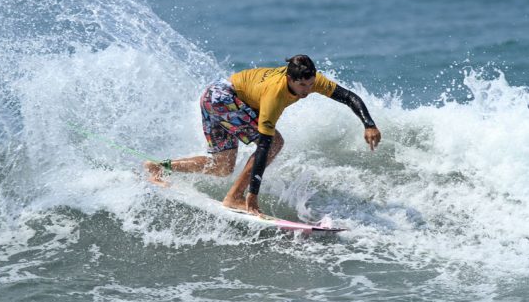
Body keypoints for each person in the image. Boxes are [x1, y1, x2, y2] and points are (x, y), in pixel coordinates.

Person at [144, 55, 381, 214]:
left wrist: (368, 124)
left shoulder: (311, 80)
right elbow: (265, 147)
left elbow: (348, 96)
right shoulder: (274, 96)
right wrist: (253, 195)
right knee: (275, 141)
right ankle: (235, 197)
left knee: (222, 166)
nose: (307, 91)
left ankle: (158, 167)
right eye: (302, 87)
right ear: (290, 79)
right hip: (223, 98)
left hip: (212, 96)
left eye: (311, 85)